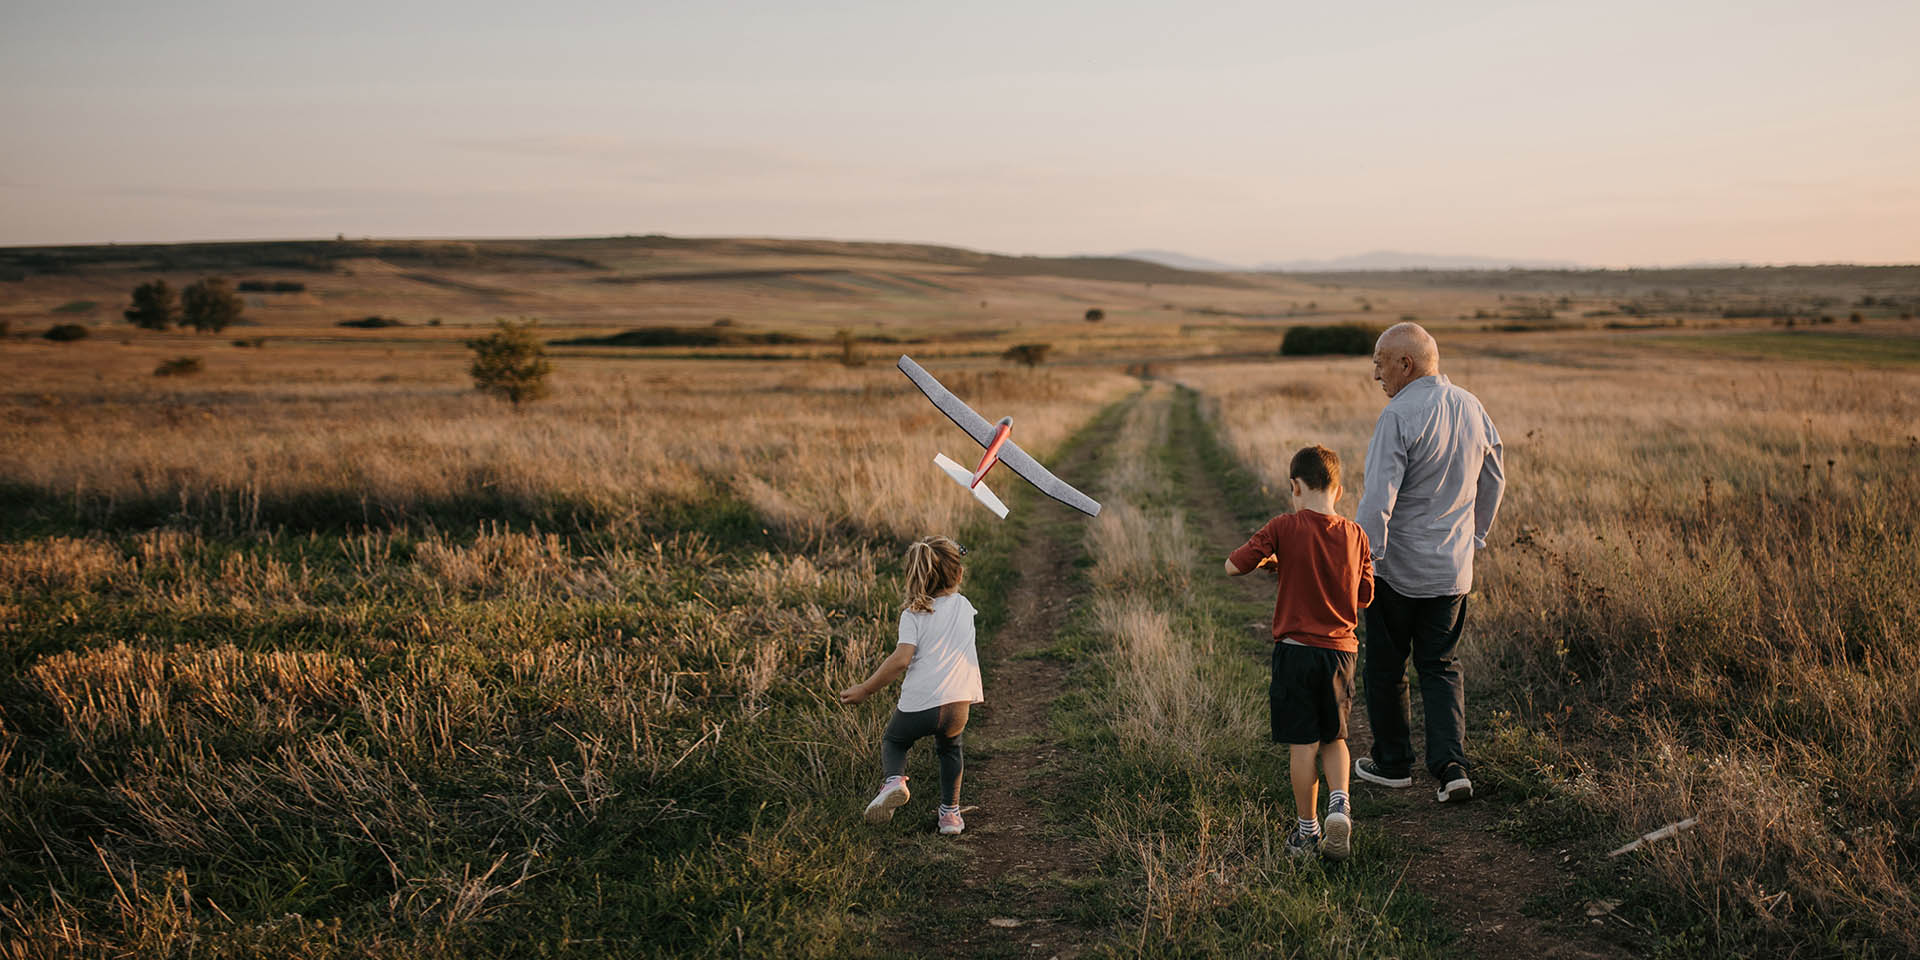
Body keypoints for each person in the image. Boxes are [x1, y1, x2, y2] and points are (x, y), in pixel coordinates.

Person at [1352, 322, 1505, 803]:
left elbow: (1378, 498)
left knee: (1385, 666)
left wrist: (1364, 560)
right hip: (1453, 571)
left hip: (1396, 569)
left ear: (1406, 363)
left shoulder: (1398, 415)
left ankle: (1394, 764)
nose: (1375, 374)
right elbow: (1495, 475)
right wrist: (1475, 536)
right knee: (1440, 666)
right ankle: (1452, 768)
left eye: (1380, 362)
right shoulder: (1471, 405)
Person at [1225, 445, 1375, 860]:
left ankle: (1307, 833)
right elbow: (1364, 596)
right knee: (1335, 737)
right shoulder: (1357, 535)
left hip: (1295, 653)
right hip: (1341, 653)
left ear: (1294, 486)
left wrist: (1272, 559)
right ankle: (1340, 805)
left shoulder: (1283, 526)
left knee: (1302, 743)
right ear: (1339, 491)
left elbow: (1234, 566)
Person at [838, 536, 982, 836]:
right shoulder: (965, 607)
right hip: (957, 704)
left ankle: (894, 781)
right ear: (959, 575)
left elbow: (901, 660)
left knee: (895, 741)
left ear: (916, 575)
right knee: (950, 749)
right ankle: (950, 816)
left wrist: (866, 689)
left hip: (920, 704)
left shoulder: (913, 615)